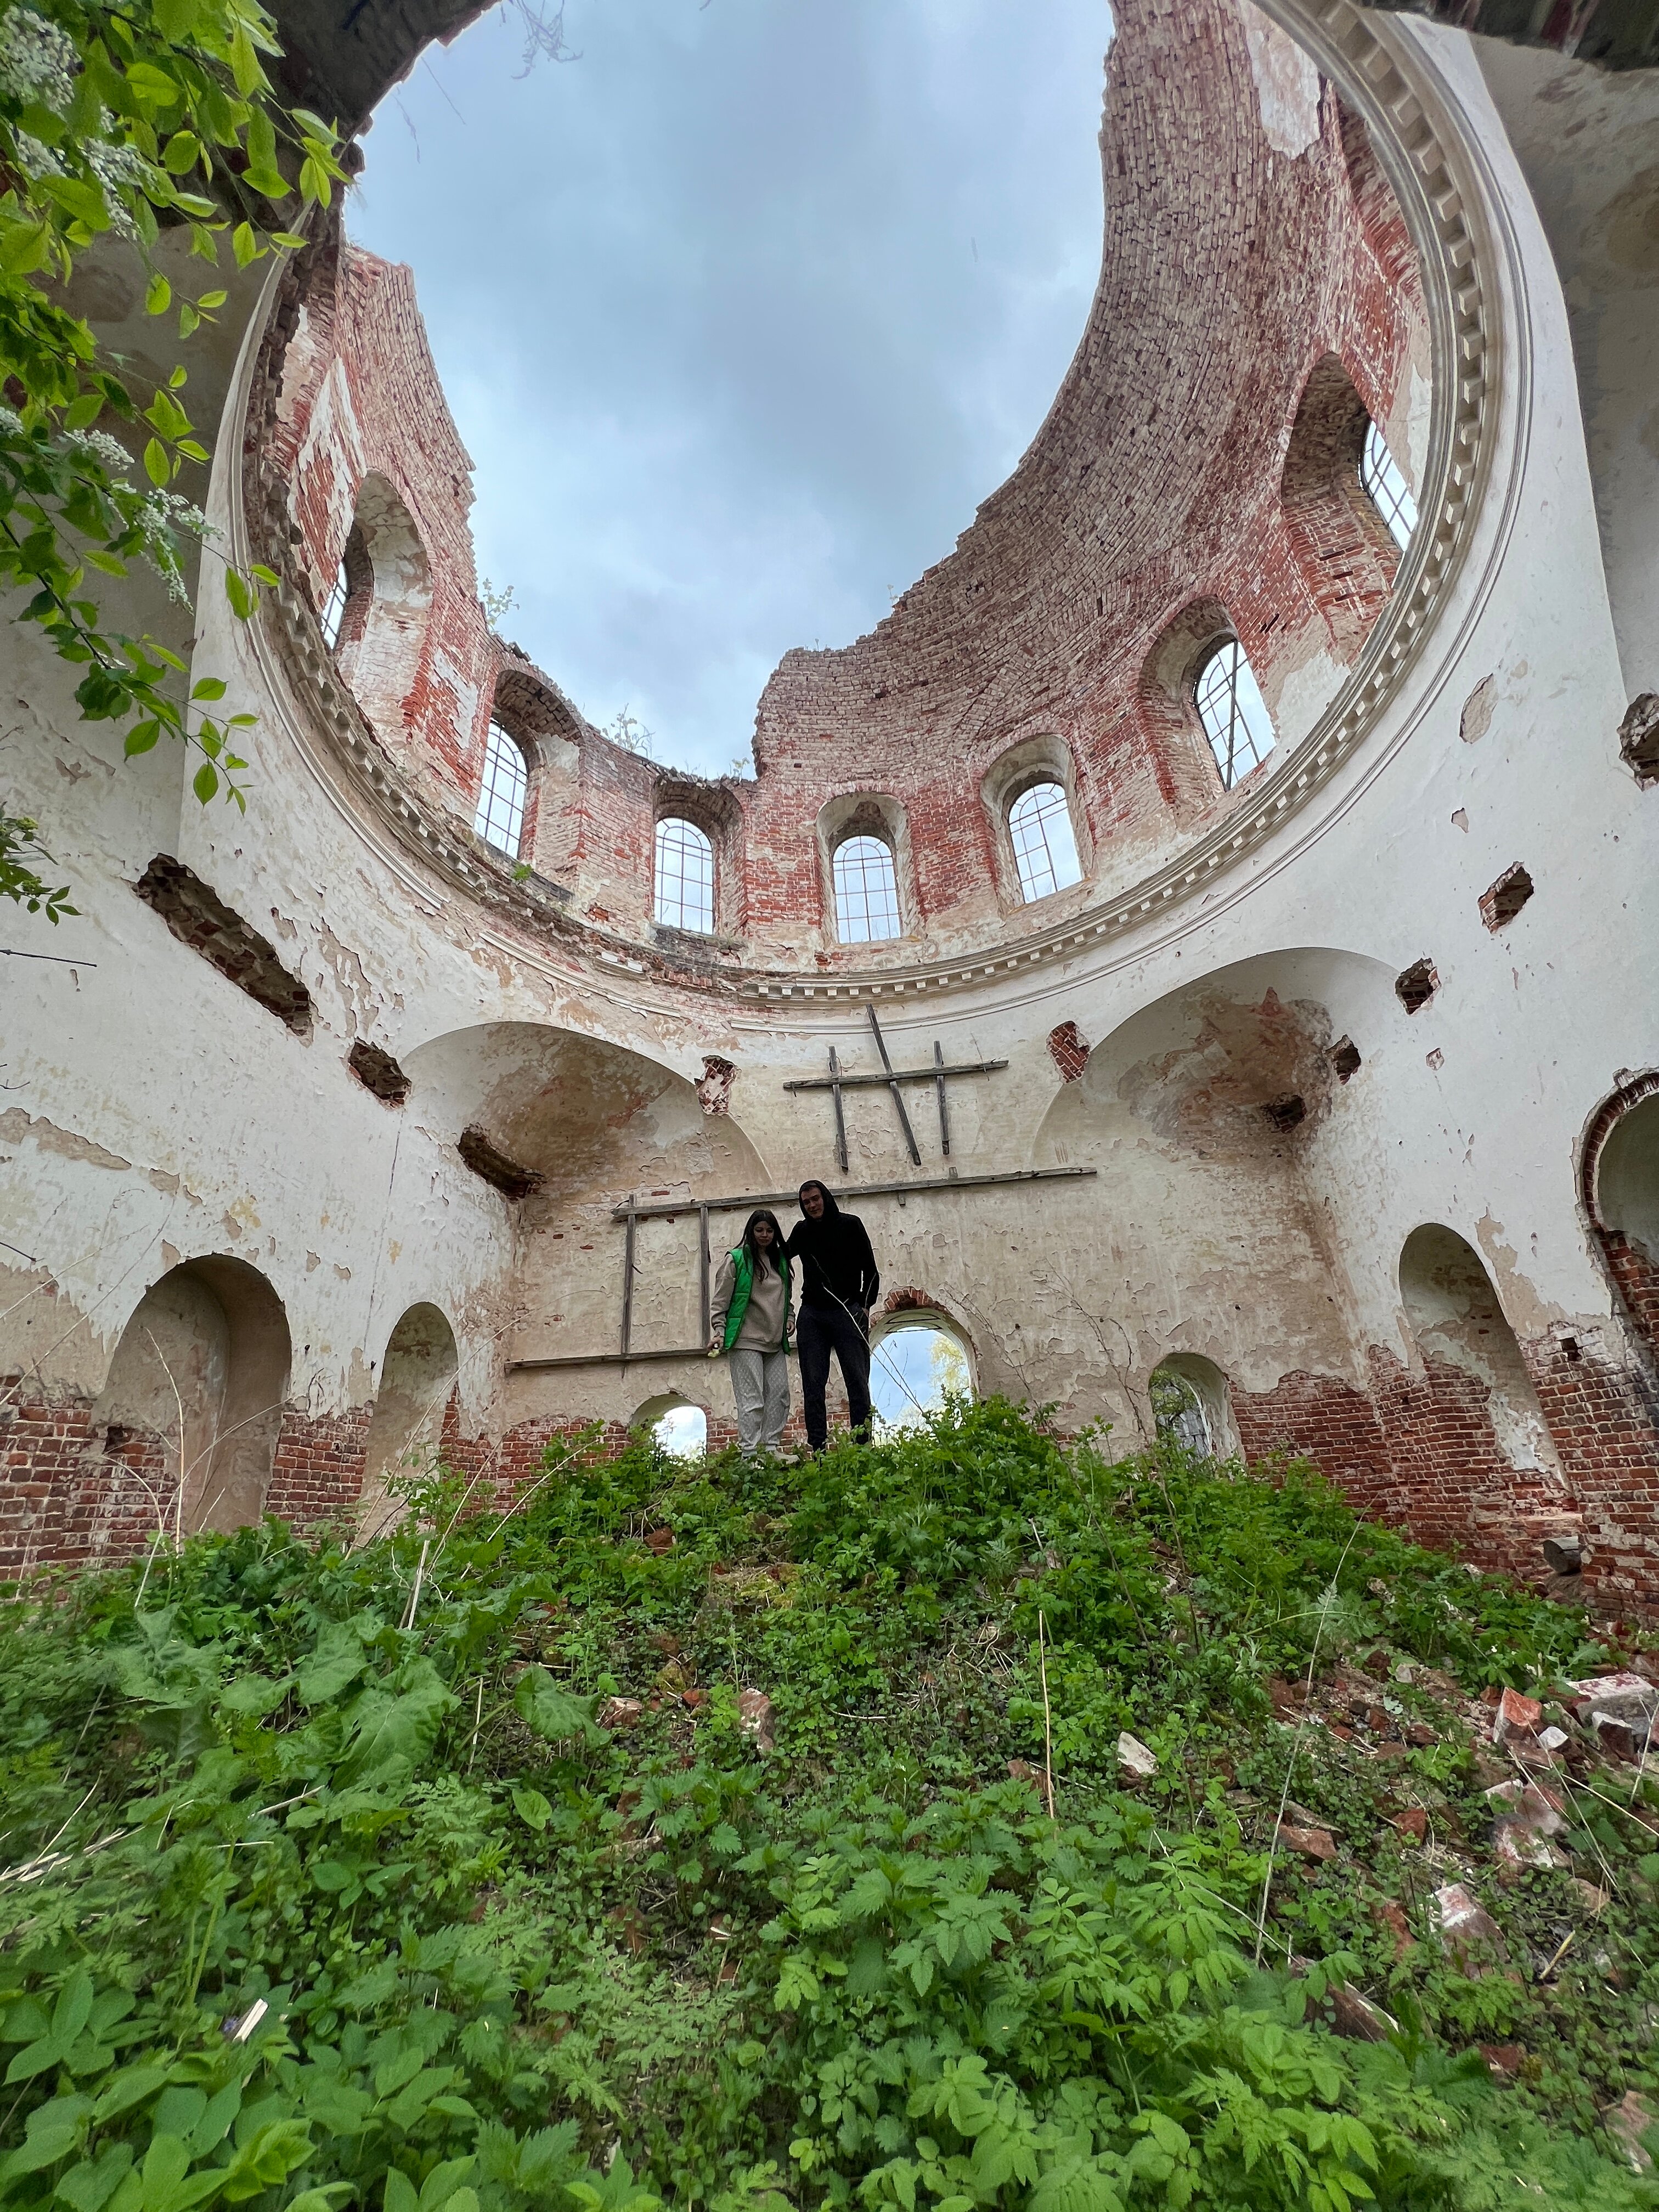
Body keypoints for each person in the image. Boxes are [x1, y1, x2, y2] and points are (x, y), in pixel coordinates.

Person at [785, 1181, 879, 1453]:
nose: (812, 1205)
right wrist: (754, 1248)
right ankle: (818, 1449)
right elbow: (781, 1257)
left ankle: (862, 1447)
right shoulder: (802, 1231)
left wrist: (865, 1304)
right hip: (812, 1315)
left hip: (847, 1311)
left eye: (815, 1199)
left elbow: (870, 1270)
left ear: (825, 1198)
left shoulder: (851, 1225)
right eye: (806, 1203)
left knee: (857, 1380)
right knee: (813, 1385)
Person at [708, 1207, 793, 1454]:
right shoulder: (735, 1260)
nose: (765, 1235)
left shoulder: (780, 1261)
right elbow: (721, 1301)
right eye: (759, 1230)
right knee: (752, 1399)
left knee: (779, 1396)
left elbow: (786, 1298)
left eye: (769, 1230)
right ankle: (749, 1454)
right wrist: (720, 1330)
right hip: (745, 1340)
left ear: (775, 1232)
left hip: (775, 1341)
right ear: (751, 1231)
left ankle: (771, 1449)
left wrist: (790, 1318)